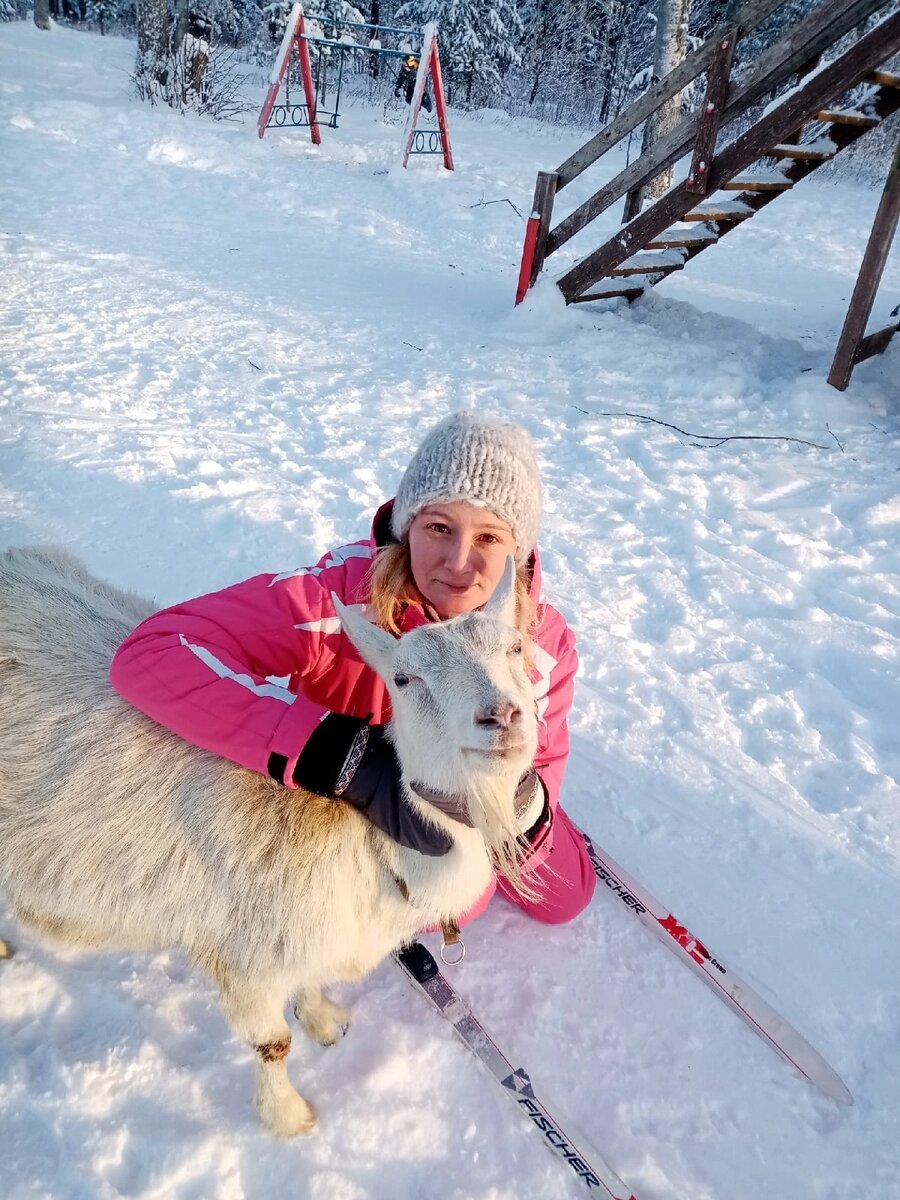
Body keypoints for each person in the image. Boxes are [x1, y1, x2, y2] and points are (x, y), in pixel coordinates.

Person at [110, 412, 595, 926]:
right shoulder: (336, 599)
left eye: (489, 538)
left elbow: (541, 756)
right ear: (407, 528)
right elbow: (155, 652)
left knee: (564, 897)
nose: (457, 561)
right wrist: (342, 755)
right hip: (355, 798)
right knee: (431, 906)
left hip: (471, 767)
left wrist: (522, 802)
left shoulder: (543, 642)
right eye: (438, 527)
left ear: (518, 551)